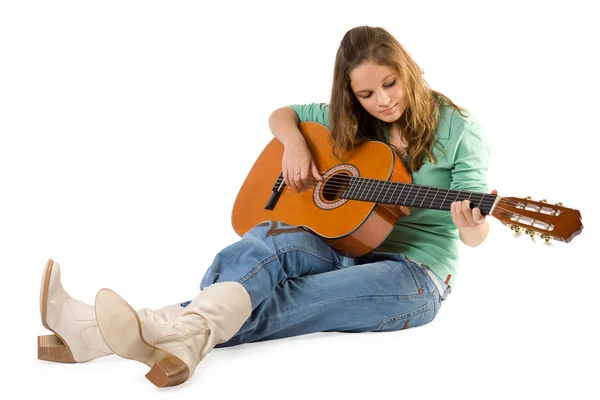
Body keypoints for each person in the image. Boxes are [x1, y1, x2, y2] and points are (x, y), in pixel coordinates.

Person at [37, 25, 492, 387]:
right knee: (266, 239)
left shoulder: (460, 129)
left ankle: (100, 333)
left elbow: (474, 237)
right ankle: (176, 341)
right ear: (351, 95)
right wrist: (294, 144)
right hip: (347, 242)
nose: (383, 101)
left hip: (414, 275)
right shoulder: (355, 119)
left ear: (406, 68)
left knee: (287, 299)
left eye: (390, 84)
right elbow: (283, 115)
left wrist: (471, 223)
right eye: (366, 94)